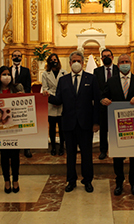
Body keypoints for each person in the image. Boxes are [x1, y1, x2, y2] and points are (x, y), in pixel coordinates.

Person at [45, 51, 100, 193]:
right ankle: (71, 180)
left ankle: (87, 180)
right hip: (68, 124)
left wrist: (96, 122)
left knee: (87, 155)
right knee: (70, 155)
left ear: (82, 63)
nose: (76, 63)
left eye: (78, 61)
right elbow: (58, 100)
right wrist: (47, 97)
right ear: (70, 63)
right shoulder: (63, 80)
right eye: (73, 61)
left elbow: (96, 103)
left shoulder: (91, 79)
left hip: (86, 124)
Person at [101, 54, 134, 196]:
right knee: (118, 156)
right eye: (122, 62)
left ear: (131, 63)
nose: (124, 64)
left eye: (126, 61)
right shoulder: (111, 81)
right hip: (118, 126)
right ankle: (119, 182)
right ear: (118, 65)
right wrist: (104, 100)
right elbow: (103, 96)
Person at [0, 66, 24, 193]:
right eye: (4, 74)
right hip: (1, 128)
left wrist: (23, 96)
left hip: (16, 128)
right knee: (4, 155)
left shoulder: (18, 88)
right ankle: (6, 180)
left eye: (8, 74)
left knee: (15, 155)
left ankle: (15, 180)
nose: (6, 77)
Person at [94, 49, 119, 160]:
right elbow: (95, 88)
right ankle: (103, 150)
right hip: (102, 105)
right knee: (103, 129)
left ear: (112, 57)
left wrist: (113, 99)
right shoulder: (97, 71)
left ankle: (117, 150)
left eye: (108, 55)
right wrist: (102, 99)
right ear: (101, 58)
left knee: (116, 128)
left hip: (115, 103)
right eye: (104, 56)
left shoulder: (118, 70)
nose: (106, 57)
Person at [42, 53, 67, 156]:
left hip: (62, 104)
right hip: (51, 102)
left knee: (62, 128)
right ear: (49, 62)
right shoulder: (45, 74)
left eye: (55, 59)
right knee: (52, 128)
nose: (54, 61)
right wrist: (53, 100)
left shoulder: (64, 73)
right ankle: (53, 147)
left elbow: (66, 89)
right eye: (51, 60)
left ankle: (61, 147)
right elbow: (45, 88)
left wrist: (59, 100)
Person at [10, 50, 33, 158]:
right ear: (11, 57)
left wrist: (23, 93)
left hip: (23, 100)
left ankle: (27, 148)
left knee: (24, 125)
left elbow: (29, 86)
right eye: (15, 56)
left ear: (22, 58)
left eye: (19, 56)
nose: (17, 58)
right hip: (10, 101)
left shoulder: (26, 71)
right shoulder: (7, 70)